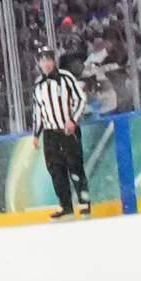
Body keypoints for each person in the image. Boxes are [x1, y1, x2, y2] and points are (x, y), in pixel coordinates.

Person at [32, 64, 91, 221]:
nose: (46, 64)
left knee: (75, 166)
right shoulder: (38, 85)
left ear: (53, 60)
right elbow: (38, 112)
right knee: (56, 170)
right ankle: (65, 205)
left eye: (48, 59)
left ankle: (84, 202)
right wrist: (36, 134)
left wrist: (73, 120)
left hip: (68, 131)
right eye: (42, 60)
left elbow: (80, 99)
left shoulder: (66, 77)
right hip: (50, 133)